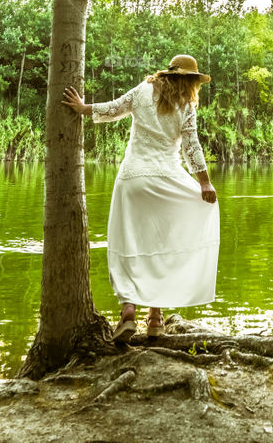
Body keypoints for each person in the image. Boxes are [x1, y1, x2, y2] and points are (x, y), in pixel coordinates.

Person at [62, 53, 219, 340]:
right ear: (189, 81)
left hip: (133, 179)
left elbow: (113, 109)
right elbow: (192, 147)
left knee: (126, 241)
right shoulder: (185, 105)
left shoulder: (143, 90)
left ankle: (128, 312)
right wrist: (205, 184)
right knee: (162, 244)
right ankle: (156, 317)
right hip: (166, 181)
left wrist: (84, 108)